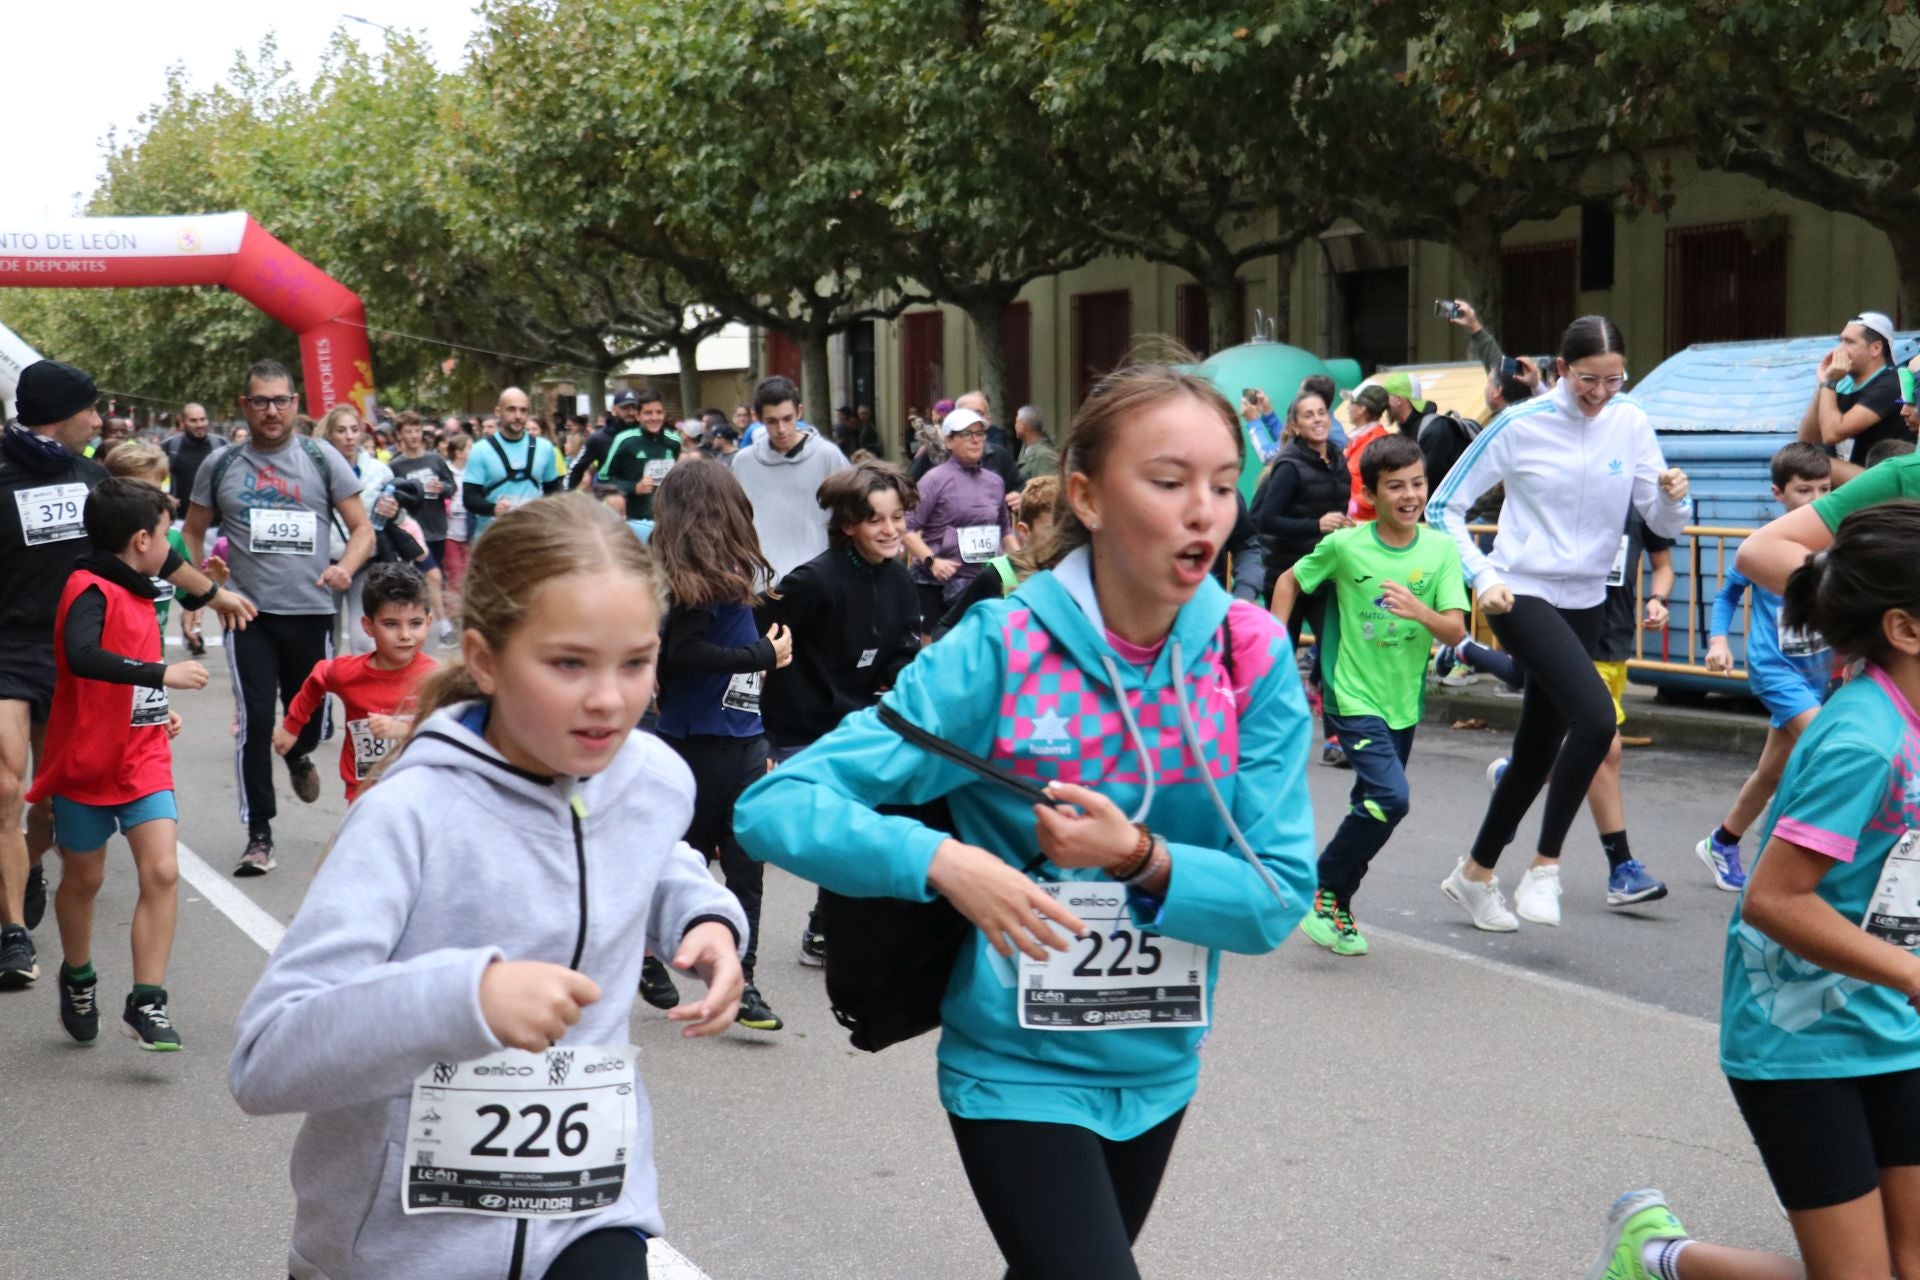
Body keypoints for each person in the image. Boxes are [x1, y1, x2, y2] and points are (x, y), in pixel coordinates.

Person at [735, 361, 1317, 1280]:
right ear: (1085, 495)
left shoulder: (1249, 656)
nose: (1205, 509)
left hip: (1159, 1058)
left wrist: (1139, 857)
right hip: (1015, 1063)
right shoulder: (1002, 649)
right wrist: (942, 862)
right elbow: (776, 805)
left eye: (1223, 482)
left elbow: (1276, 900)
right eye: (1168, 482)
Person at [228, 492, 747, 1280]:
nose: (609, 697)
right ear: (483, 659)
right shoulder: (409, 817)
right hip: (398, 1251)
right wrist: (463, 1000)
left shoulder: (651, 780)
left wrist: (701, 915)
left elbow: (644, 847)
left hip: (589, 1214)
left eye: (635, 662)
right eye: (568, 663)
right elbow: (266, 1060)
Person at [1583, 502, 1920, 1280]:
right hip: (1803, 1037)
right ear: (1903, 629)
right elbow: (1774, 900)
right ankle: (1656, 1255)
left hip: (1895, 1021)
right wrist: (1908, 972)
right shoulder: (1863, 741)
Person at [1428, 316, 1692, 932]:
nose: (1600, 393)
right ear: (1560, 372)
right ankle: (1545, 867)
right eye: (1587, 380)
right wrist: (1481, 576)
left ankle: (1473, 873)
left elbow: (1663, 519)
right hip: (1519, 592)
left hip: (1589, 596)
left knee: (1535, 752)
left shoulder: (1631, 421)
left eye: (1613, 379)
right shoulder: (1520, 425)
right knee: (1596, 720)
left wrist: (1675, 496)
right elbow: (1445, 507)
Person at [1, 361, 248, 987]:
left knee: (54, 804)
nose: (98, 418)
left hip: (72, 651)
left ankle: (28, 866)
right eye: (90, 409)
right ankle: (10, 936)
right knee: (5, 789)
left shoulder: (92, 479)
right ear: (61, 412)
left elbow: (152, 548)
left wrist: (207, 597)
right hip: (6, 649)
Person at [28, 478, 209, 1049]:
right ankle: (78, 976)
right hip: (86, 759)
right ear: (139, 540)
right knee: (85, 877)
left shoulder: (139, 587)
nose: (170, 546)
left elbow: (127, 664)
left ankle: (147, 1001)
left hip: (142, 753)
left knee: (162, 870)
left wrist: (157, 708)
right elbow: (84, 658)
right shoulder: (88, 587)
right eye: (164, 535)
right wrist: (161, 676)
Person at [1272, 435, 1468, 956]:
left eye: (1418, 483)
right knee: (1391, 797)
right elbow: (1290, 581)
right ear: (1372, 494)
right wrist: (1271, 646)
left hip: (1403, 701)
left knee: (1374, 803)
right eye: (1396, 486)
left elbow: (1454, 630)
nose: (1410, 495)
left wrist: (1418, 611)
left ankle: (1336, 902)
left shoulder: (1441, 548)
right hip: (1351, 694)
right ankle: (1323, 887)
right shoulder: (1346, 545)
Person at [182, 360, 374, 877]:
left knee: (311, 723)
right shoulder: (220, 465)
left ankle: (298, 753)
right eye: (261, 401)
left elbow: (363, 530)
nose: (272, 410)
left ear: (295, 405)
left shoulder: (321, 457)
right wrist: (202, 588)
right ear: (245, 406)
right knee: (254, 723)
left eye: (281, 400)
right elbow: (192, 533)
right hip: (247, 613)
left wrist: (345, 567)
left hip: (311, 610)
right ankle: (259, 835)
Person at [760, 462, 926, 966]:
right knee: (846, 829)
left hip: (857, 722)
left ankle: (829, 925)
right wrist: (757, 735)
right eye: (876, 520)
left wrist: (914, 676)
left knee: (871, 823)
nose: (891, 530)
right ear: (849, 524)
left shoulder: (899, 579)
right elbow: (758, 639)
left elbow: (900, 650)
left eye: (897, 518)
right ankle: (825, 926)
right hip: (799, 727)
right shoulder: (813, 581)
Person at [649, 461, 791, 1032]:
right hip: (694, 745)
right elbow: (682, 657)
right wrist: (761, 656)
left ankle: (744, 981)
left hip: (743, 741)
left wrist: (766, 731)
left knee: (746, 864)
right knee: (683, 860)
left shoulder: (729, 571)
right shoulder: (692, 584)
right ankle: (644, 953)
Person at [1696, 444, 1836, 892]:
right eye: (1803, 490)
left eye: (1825, 489)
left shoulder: (1836, 545)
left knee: (1771, 771)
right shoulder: (1764, 546)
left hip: (1822, 672)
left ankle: (1722, 841)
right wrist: (1718, 640)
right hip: (1776, 670)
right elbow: (1727, 595)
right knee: (1826, 747)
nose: (1815, 500)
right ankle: (1795, 839)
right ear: (1778, 493)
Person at [272, 563, 439, 805]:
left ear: (429, 622)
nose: (405, 635)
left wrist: (404, 729)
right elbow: (316, 680)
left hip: (419, 788)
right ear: (368, 626)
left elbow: (453, 727)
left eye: (415, 623)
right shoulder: (346, 672)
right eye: (391, 624)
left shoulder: (435, 677)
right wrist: (292, 725)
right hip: (363, 790)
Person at [1253, 387, 1354, 767]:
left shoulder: (1338, 460)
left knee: (1334, 654)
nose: (1317, 419)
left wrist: (1342, 525)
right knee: (1278, 657)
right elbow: (1265, 520)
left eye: (1322, 412)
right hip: (1287, 577)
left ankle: (1335, 739)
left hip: (1325, 575)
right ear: (1294, 425)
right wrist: (1316, 523)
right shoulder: (1289, 465)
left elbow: (1332, 512)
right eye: (1308, 415)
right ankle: (1265, 735)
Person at [730, 375, 851, 583]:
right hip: (761, 582)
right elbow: (733, 519)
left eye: (788, 419)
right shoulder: (743, 462)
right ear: (758, 418)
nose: (781, 429)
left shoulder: (828, 456)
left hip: (819, 580)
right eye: (772, 421)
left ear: (800, 412)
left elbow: (851, 513)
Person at [904, 406, 1013, 635]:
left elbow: (1005, 531)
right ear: (949, 440)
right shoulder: (934, 480)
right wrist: (932, 562)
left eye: (980, 434)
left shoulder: (995, 482)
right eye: (966, 434)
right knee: (937, 650)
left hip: (982, 582)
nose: (975, 440)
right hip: (936, 584)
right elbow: (907, 528)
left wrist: (1021, 565)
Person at [933, 473, 1063, 638]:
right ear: (1024, 532)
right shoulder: (999, 575)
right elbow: (945, 628)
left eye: (1068, 529)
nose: (1064, 539)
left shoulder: (1080, 574)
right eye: (1053, 530)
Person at [1796, 310, 1907, 483]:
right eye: (1840, 341)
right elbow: (1807, 440)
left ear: (1875, 348)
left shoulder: (1891, 385)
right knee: (1798, 458)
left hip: (1888, 477)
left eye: (1849, 342)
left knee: (1807, 463)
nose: (1840, 349)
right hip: (1856, 474)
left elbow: (1832, 435)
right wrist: (1822, 384)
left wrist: (1829, 383)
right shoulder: (1842, 383)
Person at [103, 441, 195, 637]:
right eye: (139, 492)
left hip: (155, 661)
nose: (152, 499)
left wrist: (213, 581)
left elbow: (191, 598)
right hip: (108, 663)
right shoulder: (98, 542)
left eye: (156, 490)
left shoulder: (173, 539)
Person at [161, 401, 226, 654]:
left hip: (217, 526)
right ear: (182, 422)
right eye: (193, 421)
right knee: (191, 577)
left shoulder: (220, 446)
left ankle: (194, 627)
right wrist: (165, 498)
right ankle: (192, 627)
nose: (200, 425)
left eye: (202, 420)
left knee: (209, 577)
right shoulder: (171, 448)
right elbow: (159, 477)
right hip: (184, 524)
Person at [461, 387, 564, 544]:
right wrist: (493, 508)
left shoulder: (544, 448)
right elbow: (469, 498)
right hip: (492, 539)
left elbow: (554, 493)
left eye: (523, 411)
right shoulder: (480, 450)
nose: (518, 416)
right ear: (498, 412)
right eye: (511, 409)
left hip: (531, 537)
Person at [389, 412, 459, 643]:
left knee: (434, 578)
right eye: (408, 431)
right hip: (412, 531)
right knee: (432, 576)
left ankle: (421, 621)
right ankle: (442, 625)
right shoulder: (395, 466)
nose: (414, 436)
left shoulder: (434, 459)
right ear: (399, 435)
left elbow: (451, 486)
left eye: (417, 431)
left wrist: (442, 488)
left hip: (437, 526)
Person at [599, 389, 681, 520]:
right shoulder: (624, 440)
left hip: (667, 519)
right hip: (634, 518)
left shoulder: (674, 441)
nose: (654, 418)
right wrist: (634, 487)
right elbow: (603, 479)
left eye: (659, 412)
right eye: (648, 413)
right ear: (638, 416)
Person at [1341, 384, 1394, 522]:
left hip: (1369, 524)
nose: (1347, 408)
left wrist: (1348, 509)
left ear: (1362, 409)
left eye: (1352, 403)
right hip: (1355, 522)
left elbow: (1380, 489)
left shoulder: (1378, 444)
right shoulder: (1357, 440)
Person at [1013, 404, 1058, 485]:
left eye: (1017, 422)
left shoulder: (1045, 456)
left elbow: (1046, 490)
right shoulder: (1025, 448)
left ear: (1024, 426)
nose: (1015, 426)